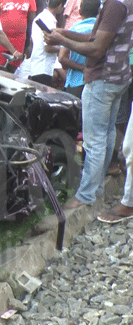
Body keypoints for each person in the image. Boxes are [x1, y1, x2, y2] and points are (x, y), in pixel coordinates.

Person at [44, 0, 133, 211]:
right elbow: (97, 37)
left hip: (103, 79)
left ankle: (85, 195)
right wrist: (65, 35)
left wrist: (62, 40)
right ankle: (96, 189)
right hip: (119, 77)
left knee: (94, 141)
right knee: (107, 134)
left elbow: (95, 48)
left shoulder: (114, 5)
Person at [58, 0, 98, 98]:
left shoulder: (73, 30)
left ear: (80, 12)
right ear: (99, 12)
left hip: (75, 83)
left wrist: (82, 68)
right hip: (96, 83)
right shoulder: (101, 32)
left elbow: (62, 58)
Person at [28, 0, 64, 86]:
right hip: (43, 67)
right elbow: (48, 47)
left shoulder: (40, 17)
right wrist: (64, 48)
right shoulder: (48, 20)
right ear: (59, 6)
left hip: (38, 66)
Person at [0, 0, 37, 68]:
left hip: (19, 41)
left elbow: (32, 24)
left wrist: (30, 44)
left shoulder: (31, 1)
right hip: (0, 40)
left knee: (14, 70)